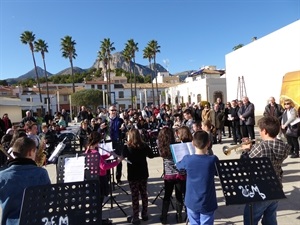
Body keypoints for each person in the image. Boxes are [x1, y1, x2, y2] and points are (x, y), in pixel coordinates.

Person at [241, 116, 290, 225]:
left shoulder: (261, 146)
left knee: (250, 218)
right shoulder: (284, 145)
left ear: (264, 131)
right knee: (270, 218)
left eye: (259, 130)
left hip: (261, 189)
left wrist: (246, 151)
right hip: (276, 187)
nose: (259, 132)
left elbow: (245, 165)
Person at [0, 136, 51, 225]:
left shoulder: (2, 176)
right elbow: (48, 198)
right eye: (35, 151)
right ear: (30, 152)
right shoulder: (41, 173)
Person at [176, 131, 218, 225]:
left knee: (194, 223)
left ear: (193, 143)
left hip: (191, 200)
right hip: (207, 200)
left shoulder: (187, 159)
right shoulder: (213, 159)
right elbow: (218, 173)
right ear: (208, 143)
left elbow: (178, 166)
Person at [85, 131, 123, 225]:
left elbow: (99, 158)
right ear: (97, 141)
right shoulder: (95, 152)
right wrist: (117, 162)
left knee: (95, 202)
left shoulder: (87, 150)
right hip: (100, 178)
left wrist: (108, 155)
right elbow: (104, 166)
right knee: (99, 202)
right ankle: (98, 220)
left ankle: (96, 219)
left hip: (92, 179)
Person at [123, 128, 154, 225]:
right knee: (144, 193)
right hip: (143, 173)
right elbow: (151, 155)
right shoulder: (144, 145)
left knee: (135, 195)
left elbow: (122, 156)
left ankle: (135, 216)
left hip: (133, 174)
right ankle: (144, 214)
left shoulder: (127, 146)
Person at [158, 127, 185, 224]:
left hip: (168, 175)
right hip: (178, 174)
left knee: (167, 195)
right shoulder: (176, 145)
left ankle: (164, 216)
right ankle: (179, 216)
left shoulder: (161, 146)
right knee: (179, 195)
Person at [106, 105, 126, 184]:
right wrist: (101, 128)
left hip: (118, 142)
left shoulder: (120, 120)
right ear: (109, 111)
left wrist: (123, 129)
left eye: (115, 110)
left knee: (119, 160)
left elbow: (125, 129)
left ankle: (118, 178)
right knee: (107, 161)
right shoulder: (106, 120)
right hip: (108, 143)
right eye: (112, 110)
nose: (113, 112)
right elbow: (99, 130)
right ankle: (108, 179)